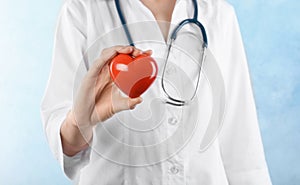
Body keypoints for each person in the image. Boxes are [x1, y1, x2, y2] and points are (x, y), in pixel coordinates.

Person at [40, 0, 272, 184]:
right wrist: (80, 121)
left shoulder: (220, 15)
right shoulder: (81, 11)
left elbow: (242, 145)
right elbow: (66, 146)